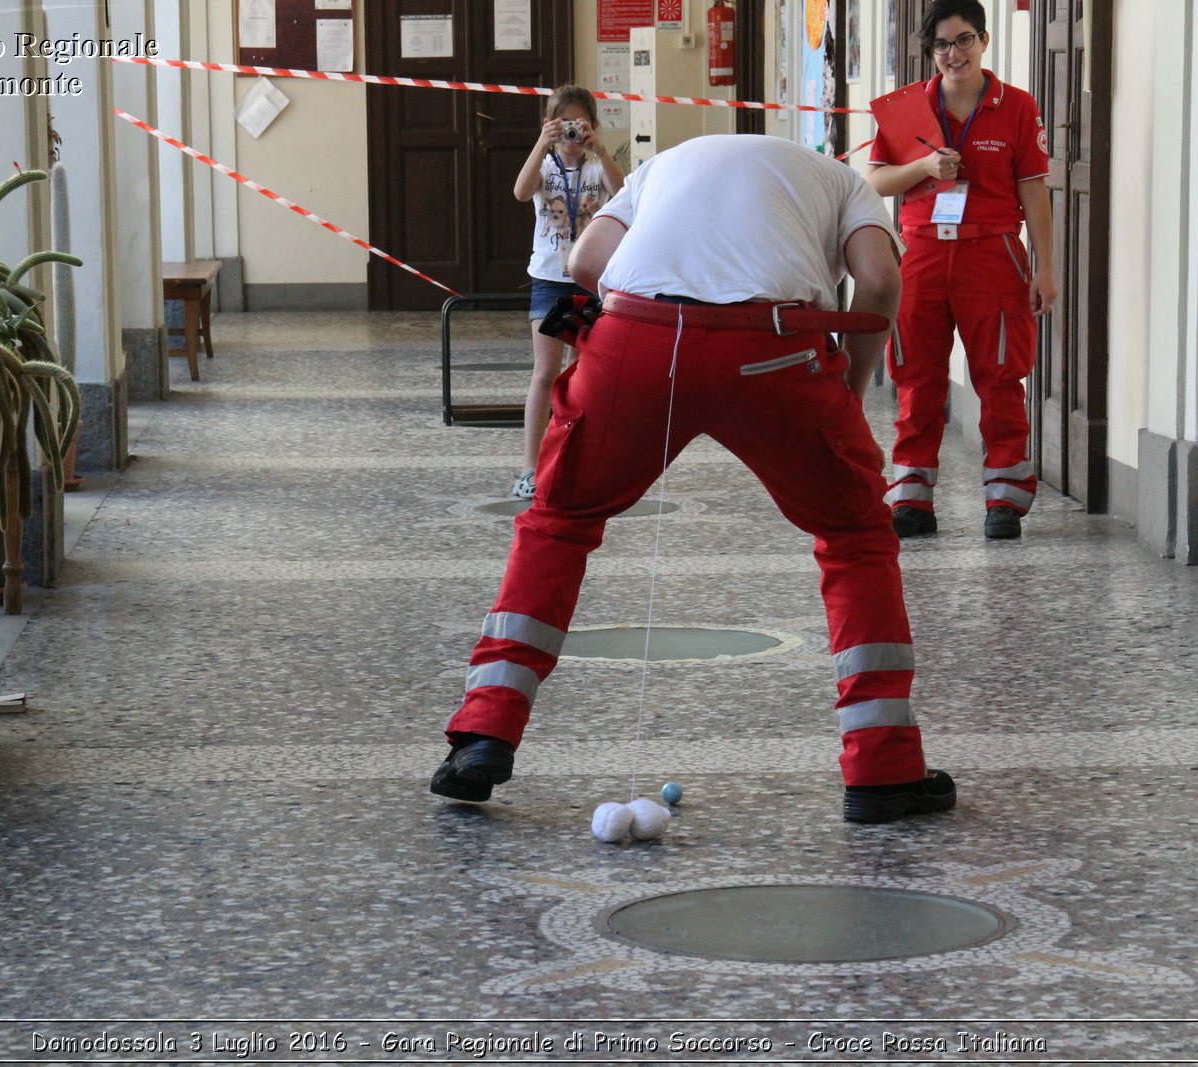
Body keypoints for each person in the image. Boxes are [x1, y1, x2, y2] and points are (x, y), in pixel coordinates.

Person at [431, 133, 957, 825]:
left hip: (635, 342)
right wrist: (849, 394)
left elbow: (587, 260)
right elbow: (881, 282)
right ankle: (883, 769)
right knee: (856, 533)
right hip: (773, 354)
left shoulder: (661, 167)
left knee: (558, 522)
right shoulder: (844, 182)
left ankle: (481, 737)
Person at [866, 0, 1056, 540]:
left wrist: (1045, 267)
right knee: (916, 373)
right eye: (944, 45)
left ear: (984, 41)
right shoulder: (906, 110)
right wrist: (924, 168)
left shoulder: (1016, 106)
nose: (955, 53)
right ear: (931, 53)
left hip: (992, 253)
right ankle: (912, 495)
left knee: (999, 372)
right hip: (923, 250)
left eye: (965, 39)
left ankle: (1005, 495)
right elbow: (876, 181)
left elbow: (1034, 191)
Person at [509, 85, 624, 500]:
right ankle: (530, 465)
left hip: (590, 276)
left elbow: (627, 194)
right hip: (547, 278)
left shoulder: (596, 168)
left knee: (584, 372)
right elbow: (522, 191)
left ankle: (576, 457)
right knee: (546, 371)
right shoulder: (546, 166)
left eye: (580, 124)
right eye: (565, 126)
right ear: (552, 126)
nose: (572, 134)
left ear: (590, 125)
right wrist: (542, 145)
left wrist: (602, 150)